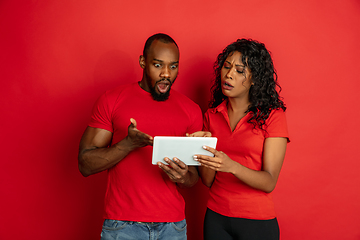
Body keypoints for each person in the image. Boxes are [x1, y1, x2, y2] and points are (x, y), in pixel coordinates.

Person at [78, 33, 203, 240]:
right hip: (123, 227)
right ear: (143, 62)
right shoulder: (112, 100)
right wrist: (128, 144)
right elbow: (85, 163)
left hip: (172, 227)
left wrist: (183, 177)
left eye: (173, 66)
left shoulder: (191, 110)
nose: (166, 74)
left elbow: (193, 178)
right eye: (157, 65)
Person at [191, 39, 289, 240]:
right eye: (226, 67)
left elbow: (269, 181)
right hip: (216, 218)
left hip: (257, 222)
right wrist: (205, 146)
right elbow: (207, 180)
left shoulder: (272, 116)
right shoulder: (211, 115)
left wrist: (231, 166)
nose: (228, 75)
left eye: (239, 70)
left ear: (255, 79)